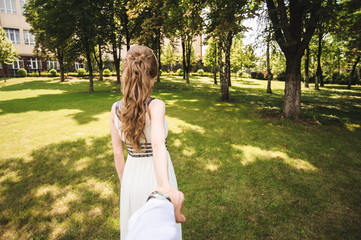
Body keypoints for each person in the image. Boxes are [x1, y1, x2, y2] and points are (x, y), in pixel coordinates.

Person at [110, 45, 181, 239]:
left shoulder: (115, 108)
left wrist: (126, 185)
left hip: (130, 176)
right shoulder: (156, 105)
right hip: (157, 176)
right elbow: (158, 147)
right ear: (154, 75)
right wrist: (165, 187)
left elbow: (118, 152)